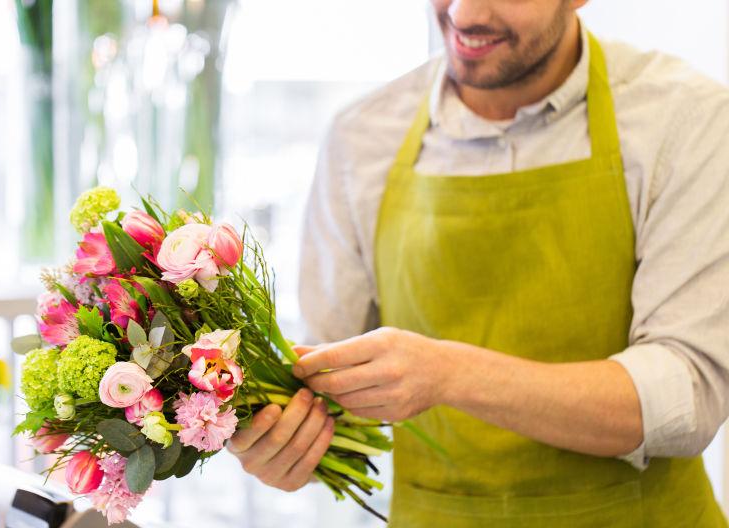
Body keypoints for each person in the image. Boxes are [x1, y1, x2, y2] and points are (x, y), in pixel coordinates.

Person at [228, 0, 729, 525]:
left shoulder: (682, 119)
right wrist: (288, 448)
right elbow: (327, 394)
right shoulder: (361, 138)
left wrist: (447, 373)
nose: (463, 14)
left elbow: (686, 396)